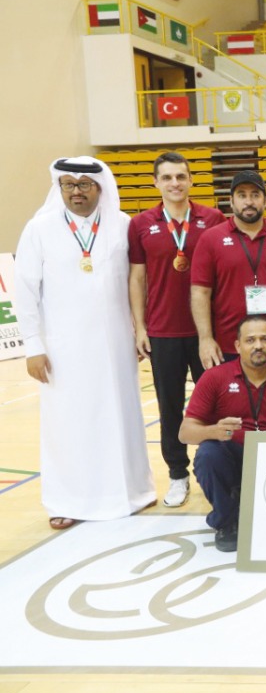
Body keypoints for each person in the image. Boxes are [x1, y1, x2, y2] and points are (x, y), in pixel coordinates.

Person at [13, 156, 157, 530]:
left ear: (100, 187)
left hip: (115, 346)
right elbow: (24, 290)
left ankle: (131, 492)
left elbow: (137, 282)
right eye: (68, 185)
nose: (76, 192)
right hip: (62, 349)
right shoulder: (39, 228)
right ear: (59, 188)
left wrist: (139, 330)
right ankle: (67, 500)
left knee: (120, 418)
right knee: (68, 423)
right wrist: (33, 345)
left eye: (84, 185)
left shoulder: (122, 225)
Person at [128, 151, 226, 507]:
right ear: (156, 182)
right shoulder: (140, 224)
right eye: (167, 177)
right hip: (163, 332)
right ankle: (177, 474)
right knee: (170, 407)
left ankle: (216, 472)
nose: (174, 183)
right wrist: (140, 327)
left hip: (206, 334)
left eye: (180, 177)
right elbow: (137, 279)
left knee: (213, 405)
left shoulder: (213, 219)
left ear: (190, 180)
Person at [181, 315, 266, 551]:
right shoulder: (214, 378)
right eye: (250, 340)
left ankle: (253, 507)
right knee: (208, 453)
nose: (258, 345)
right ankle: (227, 523)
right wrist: (214, 431)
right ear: (238, 346)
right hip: (231, 455)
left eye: (265, 339)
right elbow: (185, 433)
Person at [190, 170, 266, 368]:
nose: (249, 201)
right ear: (232, 201)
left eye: (255, 195)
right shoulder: (211, 238)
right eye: (242, 195)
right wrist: (205, 339)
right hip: (229, 344)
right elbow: (200, 293)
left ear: (265, 201)